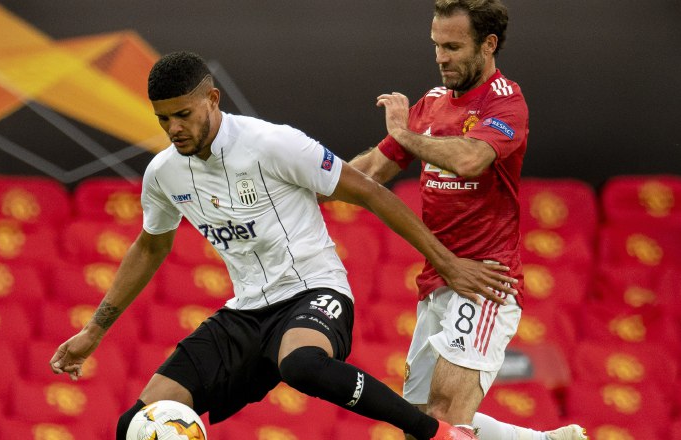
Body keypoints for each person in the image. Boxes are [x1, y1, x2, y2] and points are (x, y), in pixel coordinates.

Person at [49, 51, 519, 440]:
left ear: (212, 99)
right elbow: (150, 248)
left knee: (301, 365)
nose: (173, 129)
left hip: (315, 292)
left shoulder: (273, 144)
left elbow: (372, 192)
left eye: (183, 115)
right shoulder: (165, 174)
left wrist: (449, 264)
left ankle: (436, 435)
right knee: (133, 426)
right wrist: (93, 331)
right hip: (246, 312)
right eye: (163, 119)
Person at [349, 1, 587, 440]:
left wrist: (404, 133)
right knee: (417, 424)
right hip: (438, 278)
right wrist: (307, 173)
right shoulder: (431, 104)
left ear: (488, 44)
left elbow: (470, 159)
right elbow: (372, 172)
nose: (441, 58)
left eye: (454, 47)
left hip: (486, 281)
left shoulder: (507, 102)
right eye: (437, 46)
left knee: (443, 410)